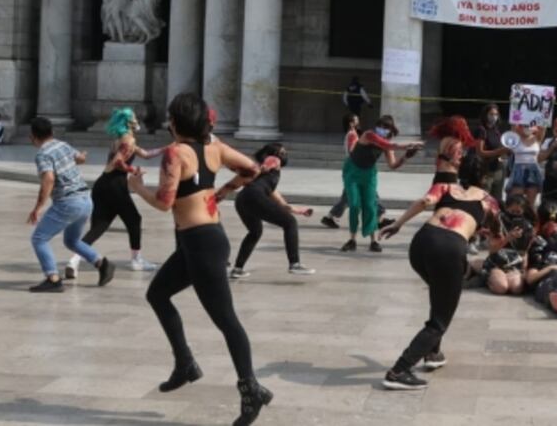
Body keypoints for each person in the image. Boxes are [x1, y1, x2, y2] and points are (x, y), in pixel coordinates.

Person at [127, 93, 272, 425]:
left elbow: (164, 203)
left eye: (169, 119)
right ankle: (185, 364)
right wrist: (222, 191)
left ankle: (252, 390)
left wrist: (137, 188)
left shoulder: (175, 153)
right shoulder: (215, 148)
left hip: (202, 243)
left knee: (227, 321)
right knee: (157, 293)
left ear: (175, 123)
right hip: (199, 241)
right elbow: (254, 168)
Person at [378, 153, 499, 390]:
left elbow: (424, 202)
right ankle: (399, 371)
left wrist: (397, 224)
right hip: (448, 249)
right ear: (485, 177)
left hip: (420, 244)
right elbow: (495, 237)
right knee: (440, 320)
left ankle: (432, 353)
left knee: (439, 295)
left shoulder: (445, 186)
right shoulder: (488, 200)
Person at [67, 107, 163, 278]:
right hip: (115, 185)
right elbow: (118, 162)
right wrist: (133, 170)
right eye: (134, 117)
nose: (137, 119)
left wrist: (168, 148)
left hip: (102, 185)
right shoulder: (128, 140)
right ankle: (136, 260)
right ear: (128, 122)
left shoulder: (120, 139)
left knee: (99, 227)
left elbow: (147, 154)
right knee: (134, 219)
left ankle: (73, 260)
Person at [27, 117, 115, 292]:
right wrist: (82, 156)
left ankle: (52, 278)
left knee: (39, 238)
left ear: (33, 137)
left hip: (68, 202)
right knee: (72, 240)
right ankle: (101, 263)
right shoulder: (62, 145)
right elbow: (80, 158)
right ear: (51, 132)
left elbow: (49, 179)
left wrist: (38, 207)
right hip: (85, 200)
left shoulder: (43, 154)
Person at [217, 143, 316, 279]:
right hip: (254, 196)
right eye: (282, 152)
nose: (284, 154)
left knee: (255, 232)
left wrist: (300, 211)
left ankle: (237, 269)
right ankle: (295, 264)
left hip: (242, 199)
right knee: (290, 223)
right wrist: (264, 167)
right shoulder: (273, 161)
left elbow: (282, 203)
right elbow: (270, 162)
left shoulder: (267, 181)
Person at [340, 115, 422, 253]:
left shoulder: (386, 143)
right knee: (354, 205)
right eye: (381, 126)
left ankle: (373, 241)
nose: (382, 129)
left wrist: (406, 156)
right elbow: (387, 144)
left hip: (369, 174)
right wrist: (408, 144)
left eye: (386, 127)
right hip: (352, 172)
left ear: (390, 130)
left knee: (371, 206)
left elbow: (393, 165)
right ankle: (352, 239)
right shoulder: (369, 134)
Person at [320, 113, 386, 230]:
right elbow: (352, 151)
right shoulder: (352, 135)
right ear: (351, 123)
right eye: (356, 120)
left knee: (347, 197)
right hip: (355, 169)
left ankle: (330, 217)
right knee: (370, 193)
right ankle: (380, 216)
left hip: (352, 169)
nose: (358, 121)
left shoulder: (353, 134)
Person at [473, 103, 510, 203]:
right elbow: (480, 152)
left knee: (496, 200)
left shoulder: (496, 130)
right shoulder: (481, 130)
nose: (494, 117)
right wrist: (499, 151)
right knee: (484, 199)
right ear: (485, 115)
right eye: (491, 114)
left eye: (496, 114)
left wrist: (506, 151)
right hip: (486, 170)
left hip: (498, 169)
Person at [507, 124, 545, 204]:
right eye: (525, 125)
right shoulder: (515, 138)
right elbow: (514, 125)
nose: (527, 128)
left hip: (533, 171)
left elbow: (543, 125)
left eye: (530, 125)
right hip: (518, 170)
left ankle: (530, 216)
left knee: (530, 203)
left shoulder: (537, 138)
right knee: (516, 200)